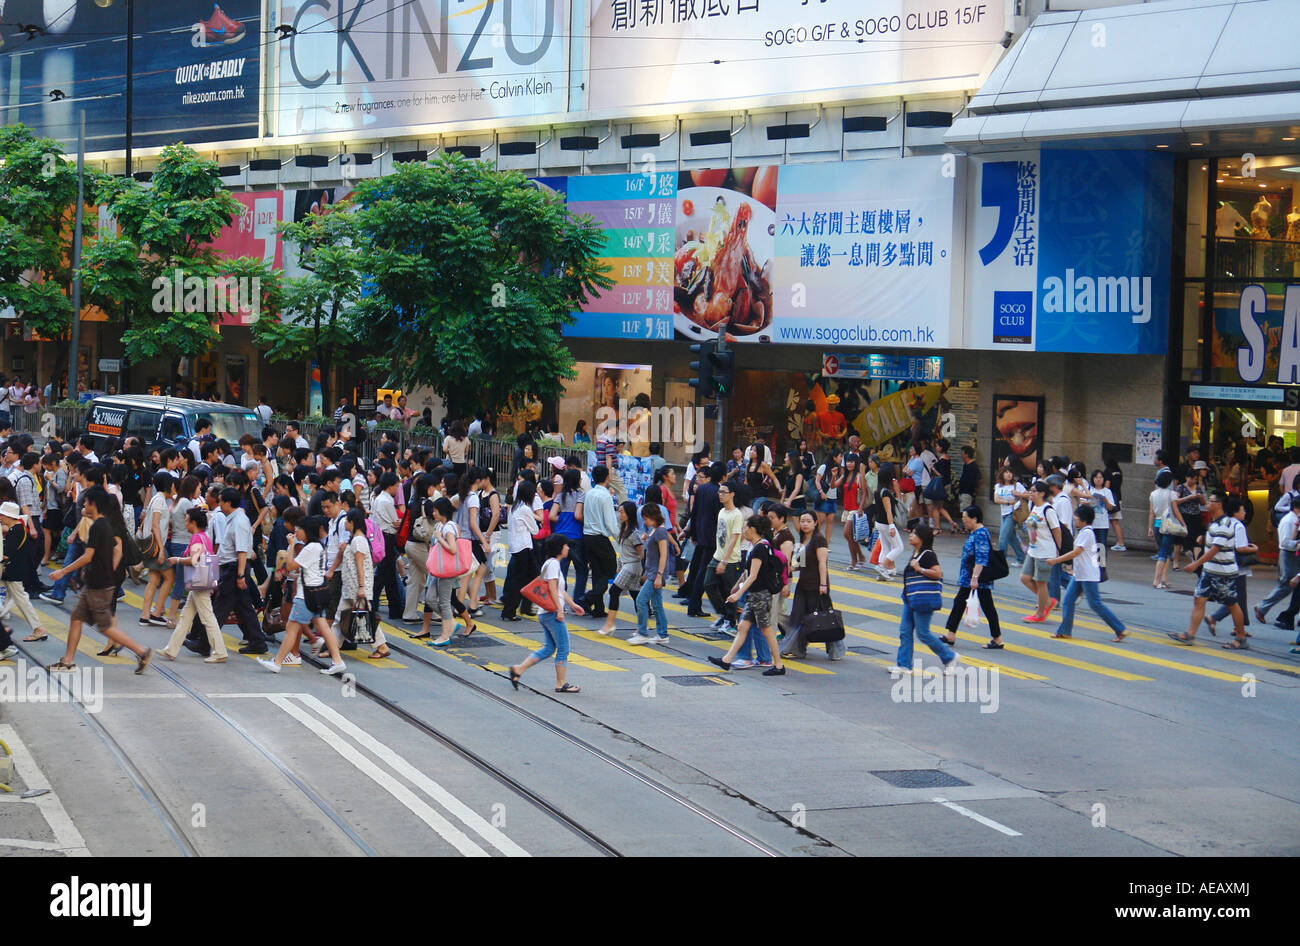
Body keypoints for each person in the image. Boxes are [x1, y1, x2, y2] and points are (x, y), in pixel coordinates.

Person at [46, 489, 151, 674]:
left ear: (94, 504)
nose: (84, 505)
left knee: (105, 627)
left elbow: (88, 556)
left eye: (86, 502)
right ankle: (68, 660)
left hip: (99, 585)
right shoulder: (102, 525)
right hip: (96, 583)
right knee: (76, 618)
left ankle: (141, 651)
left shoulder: (99, 527)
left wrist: (63, 571)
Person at [188, 488, 267, 656]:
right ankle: (258, 641)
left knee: (219, 608)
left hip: (234, 569)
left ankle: (204, 643)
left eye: (222, 501)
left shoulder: (238, 521)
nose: (220, 504)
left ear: (229, 503)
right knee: (244, 607)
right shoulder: (234, 519)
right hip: (233, 568)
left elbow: (241, 551)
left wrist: (239, 575)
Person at [1168, 493, 1251, 650]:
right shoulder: (1214, 523)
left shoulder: (1226, 524)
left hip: (1224, 572)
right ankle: (1190, 634)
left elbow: (1215, 549)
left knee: (1232, 604)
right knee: (1199, 600)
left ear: (1219, 504)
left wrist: (1195, 564)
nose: (1207, 503)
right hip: (1210, 570)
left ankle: (1241, 638)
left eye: (1211, 501)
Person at [706, 515, 787, 676]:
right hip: (756, 595)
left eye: (745, 528)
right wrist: (737, 586)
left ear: (752, 529)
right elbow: (748, 572)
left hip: (760, 596)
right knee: (743, 627)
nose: (743, 531)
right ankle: (727, 660)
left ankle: (778, 665)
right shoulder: (759, 545)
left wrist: (738, 594)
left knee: (767, 630)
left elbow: (753, 576)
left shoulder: (759, 548)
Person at [508, 534, 585, 693]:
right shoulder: (554, 565)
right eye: (565, 545)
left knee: (549, 648)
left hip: (546, 613)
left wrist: (572, 604)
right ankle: (560, 683)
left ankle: (518, 669)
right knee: (564, 648)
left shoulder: (549, 564)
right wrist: (558, 610)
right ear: (559, 548)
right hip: (551, 613)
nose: (568, 548)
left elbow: (559, 590)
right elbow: (551, 587)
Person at [158, 507, 229, 662]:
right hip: (201, 583)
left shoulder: (196, 538)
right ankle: (171, 649)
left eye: (187, 519)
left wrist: (176, 559)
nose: (185, 522)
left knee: (208, 618)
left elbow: (194, 560)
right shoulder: (205, 537)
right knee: (185, 617)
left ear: (193, 522)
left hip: (198, 583)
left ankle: (220, 652)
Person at [1047, 504, 1126, 642]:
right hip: (1080, 574)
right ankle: (1065, 631)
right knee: (1068, 601)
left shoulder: (1087, 532)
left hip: (1088, 575)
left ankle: (1119, 629)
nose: (1075, 520)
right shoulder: (1084, 531)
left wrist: (1056, 560)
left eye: (1076, 518)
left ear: (1083, 520)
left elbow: (1077, 552)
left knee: (1095, 603)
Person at [888, 522, 958, 677]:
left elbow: (938, 573)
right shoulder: (916, 553)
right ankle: (904, 665)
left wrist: (920, 569)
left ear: (922, 537)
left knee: (922, 633)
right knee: (905, 632)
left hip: (922, 599)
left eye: (914, 533)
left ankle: (950, 657)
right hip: (910, 598)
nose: (910, 535)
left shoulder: (928, 554)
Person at [781, 509, 844, 661]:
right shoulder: (802, 540)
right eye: (802, 521)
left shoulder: (819, 539)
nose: (805, 524)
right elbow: (800, 565)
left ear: (816, 523)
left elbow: (822, 563)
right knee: (799, 617)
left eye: (808, 521)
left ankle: (837, 650)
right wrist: (788, 566)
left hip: (817, 586)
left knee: (826, 619)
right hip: (803, 585)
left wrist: (823, 585)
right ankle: (797, 649)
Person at [938, 505, 1004, 649]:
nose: (964, 522)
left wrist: (975, 578)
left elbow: (981, 558)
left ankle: (997, 639)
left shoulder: (980, 533)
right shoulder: (975, 532)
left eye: (966, 519)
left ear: (974, 518)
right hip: (971, 577)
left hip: (975, 578)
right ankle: (951, 634)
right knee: (962, 603)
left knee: (984, 606)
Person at [424, 497, 479, 645]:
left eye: (435, 511)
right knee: (430, 598)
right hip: (439, 569)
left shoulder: (448, 527)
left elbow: (453, 549)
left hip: (447, 569)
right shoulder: (442, 526)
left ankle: (445, 636)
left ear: (441, 512)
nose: (433, 513)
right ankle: (451, 624)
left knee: (444, 602)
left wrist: (439, 539)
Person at [703, 480, 745, 633]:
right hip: (717, 556)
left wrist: (725, 561)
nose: (720, 495)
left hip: (730, 560)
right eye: (719, 492)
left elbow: (734, 538)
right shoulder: (721, 512)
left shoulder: (737, 514)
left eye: (724, 492)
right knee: (708, 584)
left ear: (732, 494)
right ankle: (724, 614)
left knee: (730, 592)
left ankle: (731, 621)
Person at [1256, 492, 1300, 625]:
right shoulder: (1289, 521)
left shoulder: (1295, 520)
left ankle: (1264, 608)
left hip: (1291, 555)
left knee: (1290, 585)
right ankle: (1263, 607)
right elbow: (1286, 542)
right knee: (1287, 585)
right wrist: (1298, 544)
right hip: (1288, 555)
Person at [1020, 481, 1061, 622]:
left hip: (1045, 551)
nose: (1031, 493)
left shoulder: (1047, 510)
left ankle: (1040, 613)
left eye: (1034, 491)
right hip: (1033, 550)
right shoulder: (1034, 508)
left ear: (1042, 493)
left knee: (1040, 582)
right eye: (1030, 491)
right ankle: (1047, 602)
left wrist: (1058, 551)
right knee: (1025, 578)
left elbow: (1057, 530)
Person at [629, 503, 670, 645]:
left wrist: (659, 575)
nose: (644, 522)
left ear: (653, 517)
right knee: (657, 604)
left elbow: (664, 555)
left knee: (641, 600)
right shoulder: (654, 530)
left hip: (655, 573)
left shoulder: (660, 532)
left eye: (646, 519)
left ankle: (642, 632)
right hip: (652, 571)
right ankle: (662, 634)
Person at [138, 471, 176, 626]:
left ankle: (145, 615)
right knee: (170, 577)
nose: (174, 487)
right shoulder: (160, 500)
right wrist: (161, 549)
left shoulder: (157, 499)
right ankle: (155, 613)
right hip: (156, 545)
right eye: (173, 484)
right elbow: (155, 525)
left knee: (153, 579)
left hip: (150, 544)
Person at [600, 501, 643, 637]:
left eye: (622, 511)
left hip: (632, 567)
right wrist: (619, 567)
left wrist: (645, 571)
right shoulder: (623, 530)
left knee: (614, 591)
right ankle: (642, 627)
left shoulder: (634, 533)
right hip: (626, 566)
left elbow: (642, 553)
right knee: (637, 596)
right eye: (619, 511)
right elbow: (622, 551)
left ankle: (610, 624)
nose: (619, 514)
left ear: (629, 514)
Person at [582, 465, 619, 619]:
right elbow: (611, 523)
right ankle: (589, 598)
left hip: (587, 536)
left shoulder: (589, 493)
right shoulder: (605, 496)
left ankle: (598, 607)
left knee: (597, 571)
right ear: (607, 477)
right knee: (610, 569)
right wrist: (620, 539)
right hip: (599, 537)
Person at [500, 481, 540, 622]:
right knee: (525, 579)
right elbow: (535, 530)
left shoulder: (515, 507)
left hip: (515, 547)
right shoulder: (525, 509)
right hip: (524, 548)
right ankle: (514, 609)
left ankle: (514, 608)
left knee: (518, 579)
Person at [369, 471, 405, 620]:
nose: (397, 489)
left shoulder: (380, 498)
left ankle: (394, 608)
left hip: (382, 537)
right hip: (387, 537)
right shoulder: (387, 501)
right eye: (396, 486)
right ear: (390, 486)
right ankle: (372, 603)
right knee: (383, 574)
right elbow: (395, 522)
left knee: (388, 575)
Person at [1146, 469, 1186, 590]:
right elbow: (1176, 511)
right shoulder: (1171, 494)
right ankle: (1157, 579)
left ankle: (1164, 579)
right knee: (1164, 554)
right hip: (1168, 526)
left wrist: (1150, 527)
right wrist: (1183, 523)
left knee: (1166, 552)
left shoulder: (1153, 494)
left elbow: (1151, 513)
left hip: (1157, 525)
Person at [872, 466, 907, 581]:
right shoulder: (885, 492)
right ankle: (882, 567)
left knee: (886, 548)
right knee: (899, 547)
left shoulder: (878, 491)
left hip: (879, 523)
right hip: (886, 524)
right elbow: (888, 510)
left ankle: (882, 573)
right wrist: (892, 526)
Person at [993, 466, 1026, 565]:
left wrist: (1017, 494)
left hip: (1013, 514)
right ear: (1002, 474)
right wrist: (1008, 502)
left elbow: (1028, 495)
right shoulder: (998, 486)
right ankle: (1021, 557)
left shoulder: (1017, 485)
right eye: (1006, 472)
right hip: (1004, 513)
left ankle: (1001, 561)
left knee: (1002, 537)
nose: (1009, 474)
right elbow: (996, 499)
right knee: (1012, 538)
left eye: (1010, 472)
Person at [1087, 469, 1117, 550]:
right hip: (1090, 522)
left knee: (1101, 545)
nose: (1098, 479)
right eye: (1096, 477)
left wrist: (1105, 500)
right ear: (1093, 479)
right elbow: (1083, 503)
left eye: (1100, 477)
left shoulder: (1107, 491)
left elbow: (1110, 508)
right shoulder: (1089, 490)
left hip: (1102, 524)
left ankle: (1102, 562)